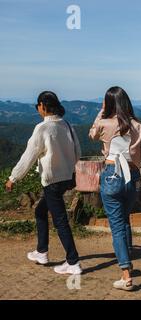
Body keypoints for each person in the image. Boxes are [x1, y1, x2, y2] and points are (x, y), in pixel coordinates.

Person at [89, 86, 141, 291]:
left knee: (117, 226)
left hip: (112, 175)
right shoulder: (139, 126)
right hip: (133, 177)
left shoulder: (104, 123)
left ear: (109, 104)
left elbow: (92, 134)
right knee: (124, 220)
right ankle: (128, 262)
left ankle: (126, 275)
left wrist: (101, 111)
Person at [5, 91, 82, 275]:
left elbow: (28, 156)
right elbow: (77, 152)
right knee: (40, 211)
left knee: (60, 221)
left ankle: (73, 261)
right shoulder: (67, 125)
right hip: (66, 179)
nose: (38, 109)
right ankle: (41, 252)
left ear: (43, 106)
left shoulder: (42, 129)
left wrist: (13, 178)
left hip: (52, 181)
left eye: (38, 106)